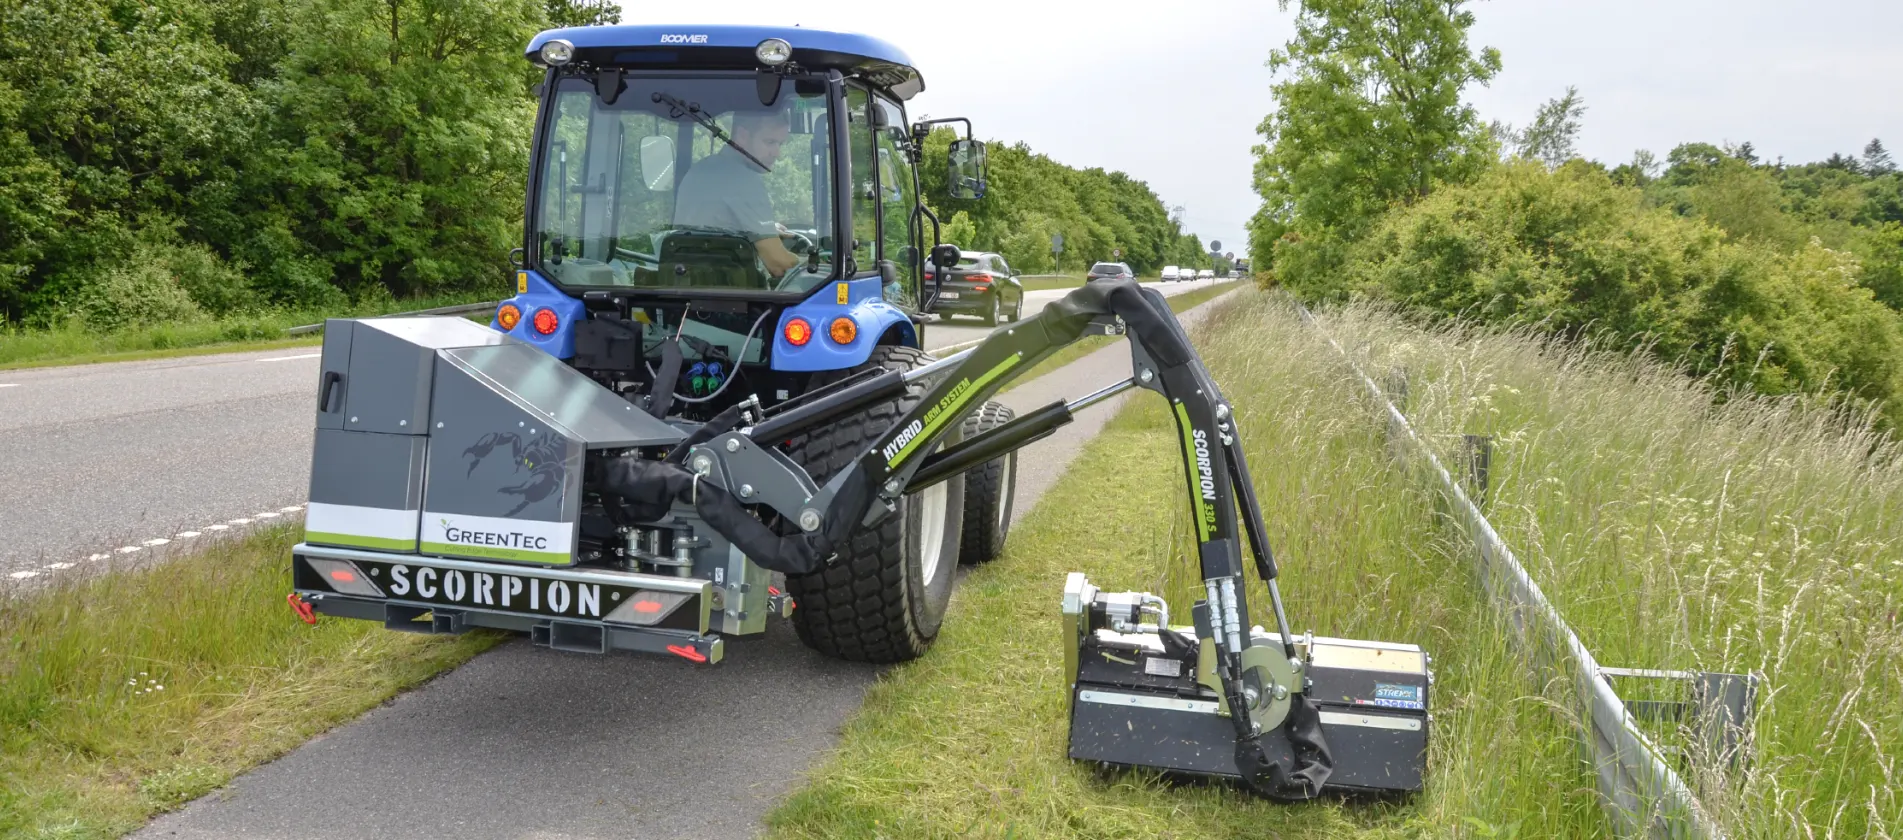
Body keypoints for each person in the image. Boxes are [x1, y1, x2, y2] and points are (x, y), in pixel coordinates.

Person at [671, 108, 801, 279]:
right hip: (727, 292)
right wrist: (820, 267)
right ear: (742, 136)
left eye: (780, 144)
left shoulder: (701, 170)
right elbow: (778, 265)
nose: (777, 153)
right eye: (770, 142)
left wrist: (765, 229)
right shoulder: (744, 179)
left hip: (684, 286)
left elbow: (714, 227)